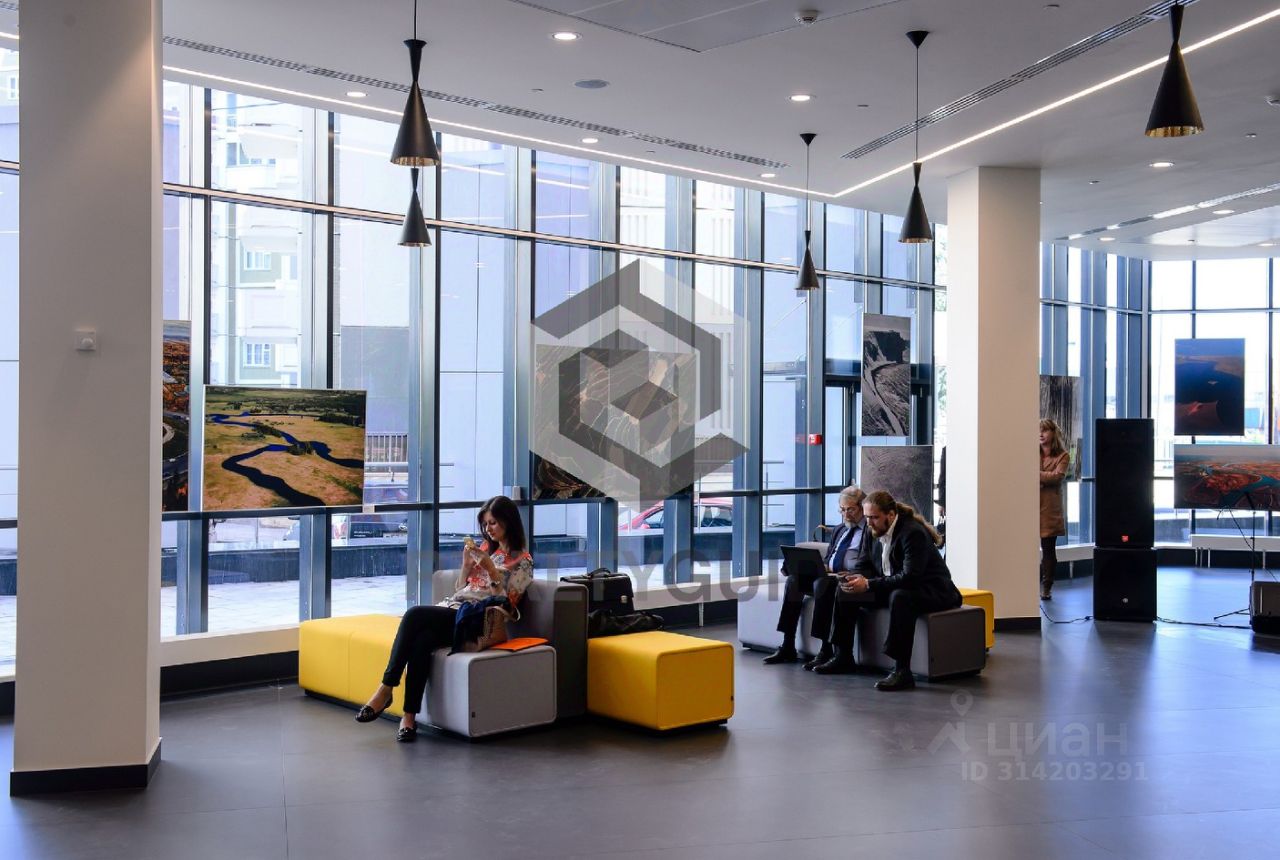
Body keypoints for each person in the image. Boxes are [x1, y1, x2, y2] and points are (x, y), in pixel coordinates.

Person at [356, 495, 533, 742]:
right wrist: (466, 566)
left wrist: (491, 570)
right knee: (422, 641)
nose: (488, 529)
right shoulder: (486, 549)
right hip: (457, 610)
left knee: (414, 614)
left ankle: (386, 688)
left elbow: (507, 605)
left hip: (478, 620)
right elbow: (461, 589)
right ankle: (409, 719)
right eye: (485, 524)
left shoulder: (523, 562)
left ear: (508, 521)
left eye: (493, 523)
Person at [815, 490, 962, 690]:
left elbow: (910, 577)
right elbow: (864, 564)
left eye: (874, 517)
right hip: (894, 585)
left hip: (932, 590)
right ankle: (843, 656)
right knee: (846, 591)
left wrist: (868, 584)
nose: (869, 523)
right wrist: (855, 578)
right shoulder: (871, 530)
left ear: (891, 515)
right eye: (867, 517)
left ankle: (902, 670)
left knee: (900, 597)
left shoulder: (912, 533)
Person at [763, 486, 868, 669]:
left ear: (862, 507)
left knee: (822, 583)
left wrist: (849, 572)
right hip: (830, 574)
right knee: (794, 580)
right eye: (842, 510)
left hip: (849, 578)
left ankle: (825, 649)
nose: (846, 515)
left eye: (850, 509)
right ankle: (788, 645)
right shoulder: (840, 529)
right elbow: (829, 558)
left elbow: (870, 561)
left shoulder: (869, 530)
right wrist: (815, 566)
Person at [1039, 418, 1070, 601]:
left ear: (1053, 433)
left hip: (1049, 509)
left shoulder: (1063, 455)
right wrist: (1045, 477)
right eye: (1038, 431)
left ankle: (1047, 586)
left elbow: (1057, 477)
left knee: (1048, 550)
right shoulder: (1031, 453)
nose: (1040, 434)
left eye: (1044, 430)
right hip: (1030, 507)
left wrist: (1035, 475)